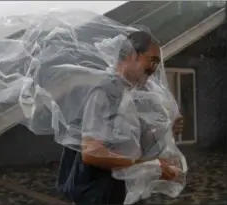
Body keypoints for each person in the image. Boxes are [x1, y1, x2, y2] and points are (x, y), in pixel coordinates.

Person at [56, 30, 184, 205]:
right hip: (101, 195)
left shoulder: (134, 95)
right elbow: (92, 153)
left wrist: (168, 132)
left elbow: (135, 146)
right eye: (152, 60)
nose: (154, 70)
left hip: (125, 194)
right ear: (132, 55)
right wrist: (150, 168)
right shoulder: (104, 93)